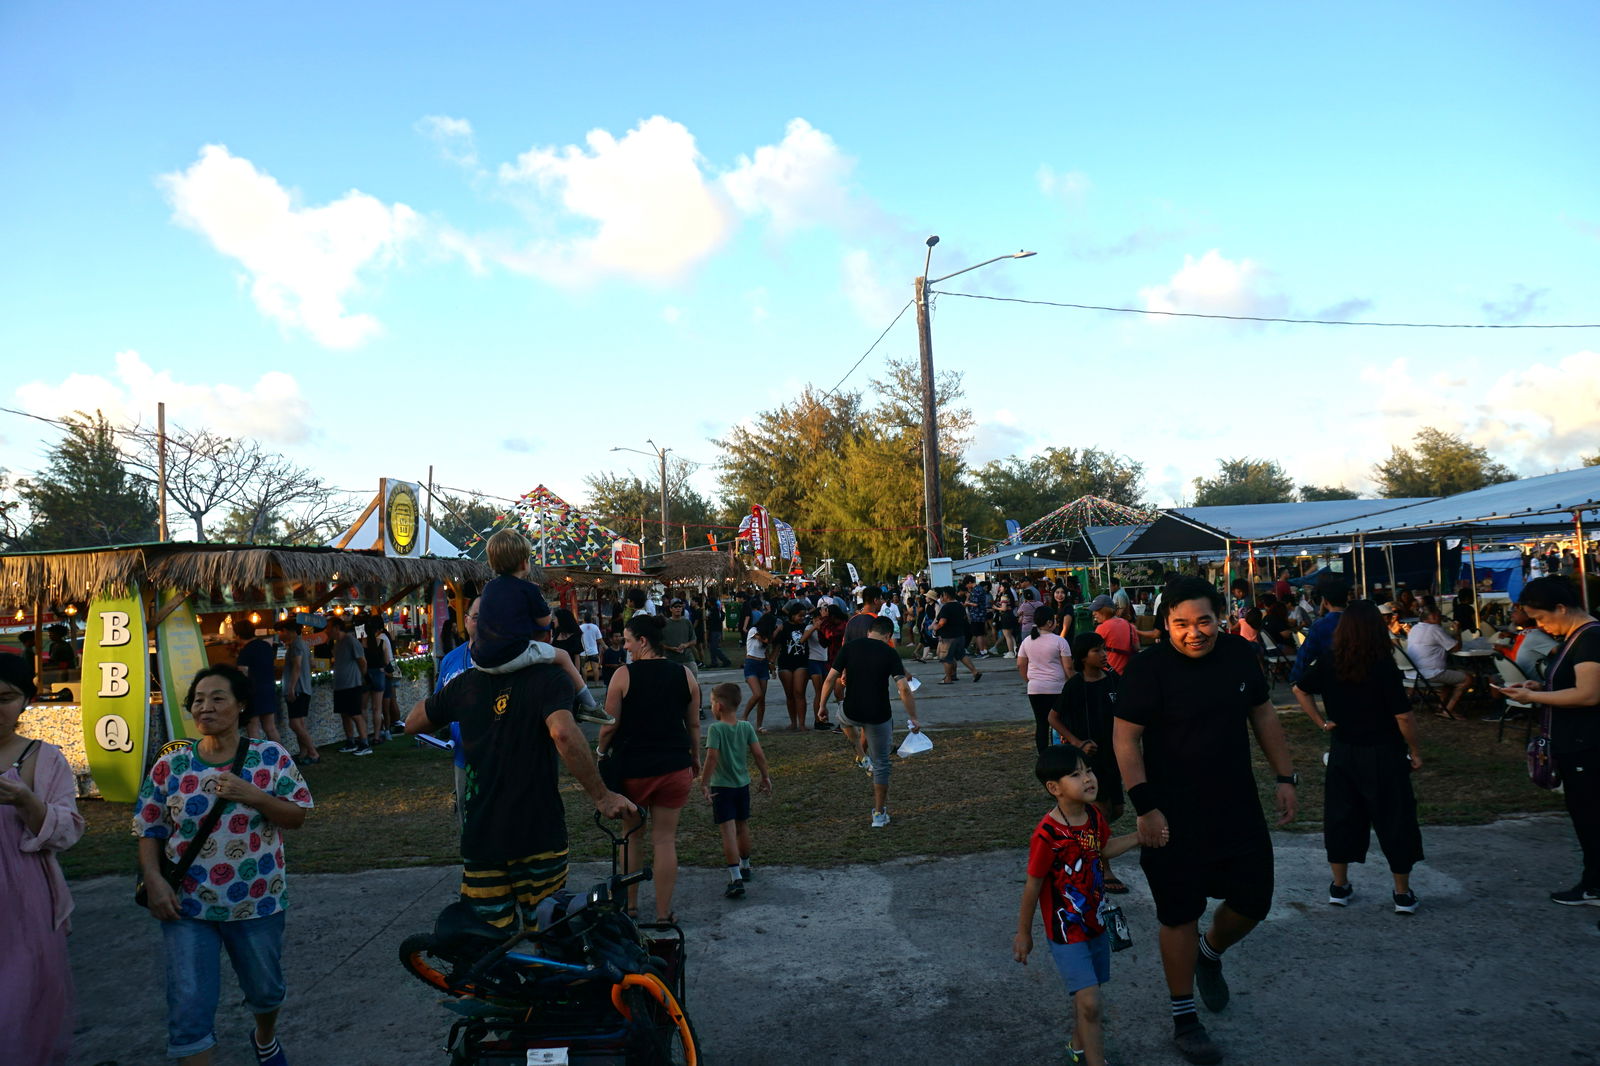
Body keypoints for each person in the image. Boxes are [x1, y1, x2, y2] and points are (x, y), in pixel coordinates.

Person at [1113, 576, 1298, 1065]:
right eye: (1181, 624)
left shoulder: (1239, 655)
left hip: (1236, 804)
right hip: (1171, 811)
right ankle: (1185, 1019)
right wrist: (1145, 805)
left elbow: (1263, 715)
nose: (1194, 632)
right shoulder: (1148, 669)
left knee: (1254, 901)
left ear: (1220, 617)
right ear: (1165, 623)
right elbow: (1125, 739)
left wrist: (1285, 776)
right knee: (1179, 913)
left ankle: (1209, 954)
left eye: (1204, 621)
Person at [135, 665, 314, 1066]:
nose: (206, 707)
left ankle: (264, 1036)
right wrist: (153, 879)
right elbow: (149, 826)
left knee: (265, 991)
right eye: (199, 700)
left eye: (218, 698)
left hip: (256, 901)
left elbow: (296, 817)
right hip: (185, 905)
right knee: (188, 1006)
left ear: (241, 705)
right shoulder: (171, 765)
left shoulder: (269, 757)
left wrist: (255, 796)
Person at [407, 627, 634, 931]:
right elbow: (563, 733)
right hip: (537, 834)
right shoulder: (549, 679)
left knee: (488, 937)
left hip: (482, 836)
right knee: (547, 930)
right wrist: (602, 796)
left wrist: (463, 706)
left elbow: (413, 722)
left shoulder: (466, 684)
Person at [1013, 744, 1142, 1066]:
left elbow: (1103, 849)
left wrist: (1139, 836)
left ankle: (1077, 1045)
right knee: (1091, 1002)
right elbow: (1033, 884)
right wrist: (1023, 933)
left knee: (1087, 997)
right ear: (1054, 788)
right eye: (1075, 774)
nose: (1087, 779)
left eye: (1088, 770)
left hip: (1096, 923)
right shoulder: (1046, 835)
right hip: (1066, 932)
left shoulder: (1094, 816)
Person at [1292, 601, 1425, 913]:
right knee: (1395, 818)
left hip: (1343, 750)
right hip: (1384, 751)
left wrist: (1321, 722)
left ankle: (1339, 886)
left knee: (1341, 817)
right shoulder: (1382, 664)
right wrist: (1416, 751)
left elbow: (1299, 689)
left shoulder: (1330, 660)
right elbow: (1403, 716)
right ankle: (1402, 893)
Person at [1489, 577, 1600, 906]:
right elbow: (1573, 685)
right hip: (1576, 741)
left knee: (1592, 817)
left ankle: (1596, 884)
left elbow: (1589, 693)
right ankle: (1593, 882)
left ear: (1561, 608)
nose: (1540, 626)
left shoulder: (1590, 638)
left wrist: (1535, 697)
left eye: (1540, 618)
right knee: (1585, 817)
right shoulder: (1575, 637)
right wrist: (1539, 687)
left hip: (1588, 744)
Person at [0, 654, 84, 1066]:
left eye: (5, 698)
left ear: (26, 702)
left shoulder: (44, 758)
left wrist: (28, 801)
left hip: (23, 893)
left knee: (19, 1000)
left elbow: (67, 831)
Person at [598, 614, 701, 924]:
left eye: (628, 641)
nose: (625, 646)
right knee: (665, 840)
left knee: (632, 837)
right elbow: (694, 724)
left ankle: (630, 908)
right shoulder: (685, 674)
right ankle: (663, 914)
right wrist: (695, 757)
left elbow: (609, 725)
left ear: (643, 641)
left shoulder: (623, 676)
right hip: (674, 767)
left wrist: (600, 753)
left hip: (634, 770)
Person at [819, 616, 921, 827]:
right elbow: (903, 688)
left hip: (852, 710)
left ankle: (860, 754)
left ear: (869, 632)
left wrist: (821, 706)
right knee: (882, 764)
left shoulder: (850, 647)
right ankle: (879, 814)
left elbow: (830, 679)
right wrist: (913, 717)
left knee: (842, 718)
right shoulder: (889, 653)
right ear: (888, 635)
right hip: (878, 714)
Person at [1052, 631, 1128, 895]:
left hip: (1113, 755)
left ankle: (1083, 843)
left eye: (1104, 649)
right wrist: (1077, 743)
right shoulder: (1075, 685)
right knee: (1101, 814)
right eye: (1097, 650)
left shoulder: (1113, 680)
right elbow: (1053, 718)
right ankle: (1104, 870)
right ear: (1083, 657)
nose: (1104, 654)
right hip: (1088, 760)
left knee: (1117, 809)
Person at [700, 682, 773, 900]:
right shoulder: (746, 727)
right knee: (742, 827)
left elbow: (712, 758)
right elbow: (758, 754)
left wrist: (704, 782)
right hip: (742, 785)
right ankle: (746, 865)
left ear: (719, 706)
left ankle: (735, 878)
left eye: (712, 703)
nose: (711, 707)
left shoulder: (716, 729)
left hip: (722, 787)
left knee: (728, 832)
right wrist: (765, 776)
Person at [471, 530, 557, 676]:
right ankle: (584, 691)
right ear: (524, 563)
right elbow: (545, 621)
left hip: (481, 659)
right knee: (563, 657)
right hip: (513, 655)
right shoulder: (529, 588)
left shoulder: (489, 587)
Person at [434, 597, 479, 827]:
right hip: (462, 753)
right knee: (464, 809)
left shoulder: (508, 658)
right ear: (466, 620)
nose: (481, 623)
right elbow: (437, 705)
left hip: (500, 754)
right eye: (476, 617)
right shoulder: (451, 660)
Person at [1017, 606, 1073, 754]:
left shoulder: (1027, 641)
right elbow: (1068, 667)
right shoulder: (1060, 641)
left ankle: (1043, 755)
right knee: (1060, 723)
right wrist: (1074, 682)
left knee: (1041, 724)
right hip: (1057, 688)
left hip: (1035, 689)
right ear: (1049, 622)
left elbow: (1020, 664)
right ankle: (1061, 752)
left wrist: (1029, 680)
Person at [1404, 607, 1472, 720]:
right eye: (1440, 616)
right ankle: (1448, 710)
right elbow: (1456, 648)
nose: (1441, 619)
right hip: (1429, 673)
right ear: (1434, 616)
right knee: (1467, 678)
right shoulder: (1434, 629)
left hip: (1413, 672)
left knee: (1450, 675)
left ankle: (1441, 706)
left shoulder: (1415, 628)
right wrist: (1457, 632)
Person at [273, 619, 318, 764]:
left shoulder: (296, 645)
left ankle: (313, 752)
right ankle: (303, 754)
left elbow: (297, 666)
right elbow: (312, 664)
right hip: (303, 688)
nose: (279, 635)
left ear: (287, 631)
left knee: (295, 724)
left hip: (298, 689)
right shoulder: (302, 644)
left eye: (280, 632)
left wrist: (291, 687)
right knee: (299, 723)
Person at [1289, 575, 1349, 684]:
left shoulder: (1321, 626)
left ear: (1325, 602)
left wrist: (1295, 679)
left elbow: (1305, 656)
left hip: (1332, 679)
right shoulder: (1359, 621)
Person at [325, 616, 371, 755]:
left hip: (352, 684)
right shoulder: (336, 644)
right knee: (344, 714)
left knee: (355, 714)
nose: (327, 630)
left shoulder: (350, 641)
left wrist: (362, 678)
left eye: (329, 627)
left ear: (336, 628)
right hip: (340, 685)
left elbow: (362, 661)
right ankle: (350, 741)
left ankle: (364, 743)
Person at [234, 626, 282, 745]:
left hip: (253, 692)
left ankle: (257, 755)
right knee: (270, 727)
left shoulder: (246, 651)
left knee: (253, 728)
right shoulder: (266, 646)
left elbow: (242, 673)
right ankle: (281, 754)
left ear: (238, 636)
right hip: (269, 689)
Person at [775, 602, 813, 731]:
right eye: (800, 615)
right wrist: (771, 661)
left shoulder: (805, 627)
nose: (802, 618)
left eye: (804, 615)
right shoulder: (784, 627)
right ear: (792, 615)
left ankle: (802, 723)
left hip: (801, 662)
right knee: (790, 695)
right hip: (785, 663)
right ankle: (793, 722)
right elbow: (777, 645)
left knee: (799, 692)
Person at [934, 587, 983, 684]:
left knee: (946, 658)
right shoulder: (960, 606)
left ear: (946, 595)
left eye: (942, 595)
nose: (941, 597)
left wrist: (936, 627)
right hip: (960, 635)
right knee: (961, 655)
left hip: (948, 637)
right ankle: (975, 672)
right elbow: (965, 618)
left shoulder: (946, 607)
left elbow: (942, 622)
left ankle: (948, 678)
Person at [741, 612, 778, 731]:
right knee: (757, 694)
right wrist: (778, 630)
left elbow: (766, 652)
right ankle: (744, 717)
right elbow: (766, 640)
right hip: (751, 664)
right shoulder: (753, 630)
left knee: (762, 698)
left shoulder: (766, 634)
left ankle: (759, 725)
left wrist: (771, 667)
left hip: (762, 665)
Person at [1093, 605, 1139, 676]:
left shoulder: (1102, 628)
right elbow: (1137, 647)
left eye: (1096, 611)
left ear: (1104, 612)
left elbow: (1093, 651)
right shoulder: (1129, 625)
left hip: (1109, 672)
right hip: (1128, 671)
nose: (1093, 614)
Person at [704, 597, 731, 668]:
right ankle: (714, 662)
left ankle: (725, 661)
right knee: (712, 647)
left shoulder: (713, 610)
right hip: (716, 630)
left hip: (714, 630)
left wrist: (708, 618)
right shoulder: (718, 609)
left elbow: (713, 619)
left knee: (714, 647)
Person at [578, 611, 603, 682]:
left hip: (583, 652)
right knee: (595, 668)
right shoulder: (595, 627)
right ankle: (596, 684)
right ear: (591, 619)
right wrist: (605, 646)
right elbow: (599, 639)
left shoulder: (580, 627)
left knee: (584, 668)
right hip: (594, 651)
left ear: (584, 619)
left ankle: (585, 684)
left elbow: (577, 639)